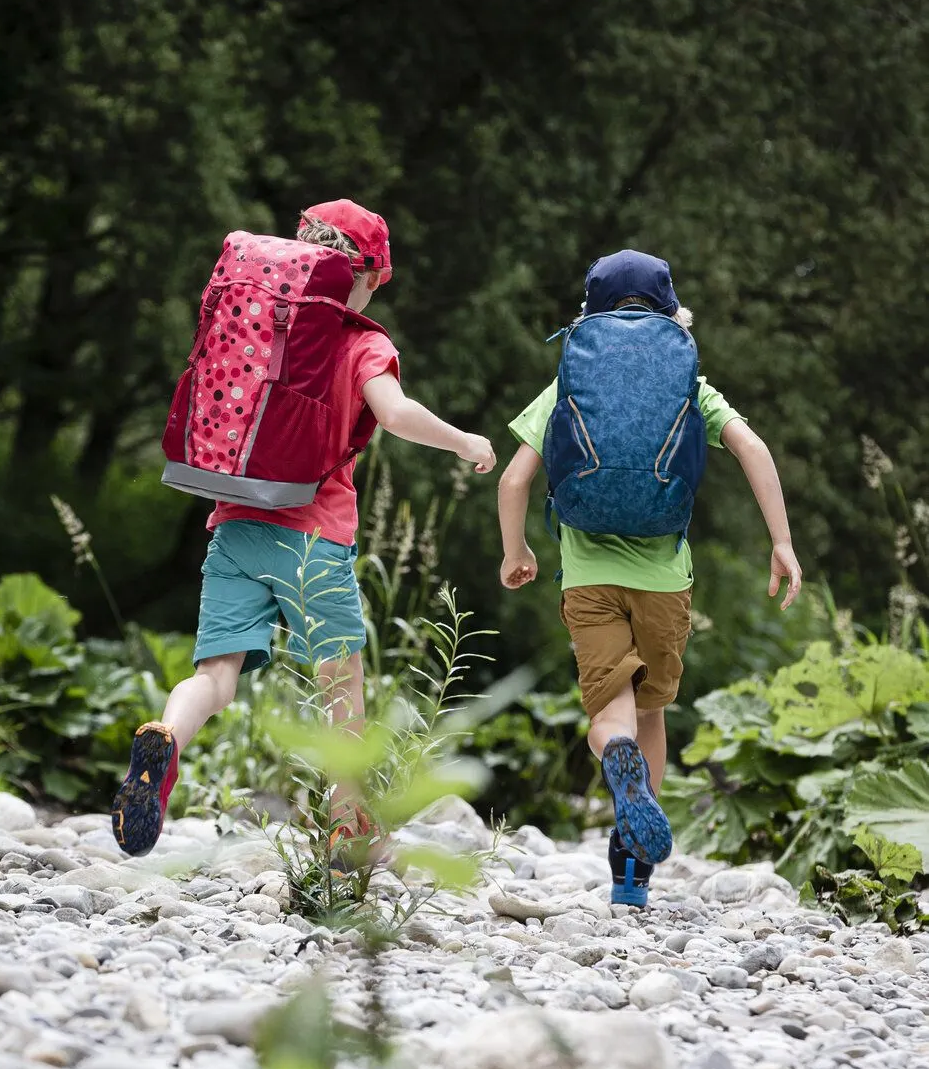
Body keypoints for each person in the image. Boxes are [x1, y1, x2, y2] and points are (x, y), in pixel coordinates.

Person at [113, 199, 496, 858]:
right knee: (340, 686)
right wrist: (464, 441)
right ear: (368, 276)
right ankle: (347, 823)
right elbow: (395, 414)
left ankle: (166, 737)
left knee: (216, 678)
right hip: (314, 539)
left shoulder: (263, 324)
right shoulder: (364, 343)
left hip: (236, 526)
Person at [497, 249, 801, 908]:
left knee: (611, 716)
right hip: (664, 580)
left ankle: (617, 759)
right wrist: (780, 541)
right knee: (652, 709)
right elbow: (752, 447)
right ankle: (632, 870)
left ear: (589, 314)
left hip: (588, 579)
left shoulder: (569, 383)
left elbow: (514, 479)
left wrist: (514, 550)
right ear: (671, 313)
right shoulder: (688, 382)